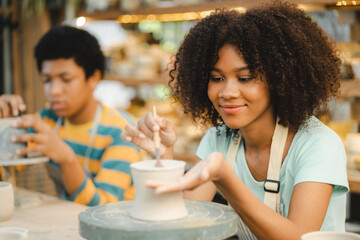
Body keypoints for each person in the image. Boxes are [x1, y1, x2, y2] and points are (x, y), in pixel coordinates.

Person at [121, 1, 349, 239]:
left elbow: (298, 237)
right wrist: (163, 156)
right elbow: (181, 226)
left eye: (245, 77)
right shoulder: (219, 140)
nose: (227, 92)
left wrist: (225, 178)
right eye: (217, 78)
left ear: (280, 79)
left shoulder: (318, 145)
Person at [5, 26, 141, 206]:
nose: (54, 91)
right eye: (47, 80)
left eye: (66, 79)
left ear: (93, 78)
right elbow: (6, 167)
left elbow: (105, 209)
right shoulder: (48, 119)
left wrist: (66, 158)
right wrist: (4, 125)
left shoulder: (122, 133)